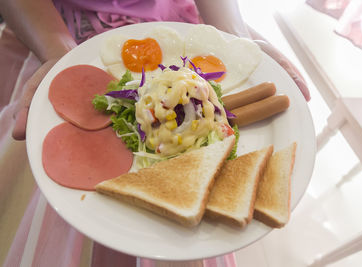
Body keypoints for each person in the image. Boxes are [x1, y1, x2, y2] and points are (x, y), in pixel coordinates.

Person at [0, 0, 310, 266]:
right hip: (50, 31)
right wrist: (61, 56)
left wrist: (235, 37)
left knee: (197, 227)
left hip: (180, 28)